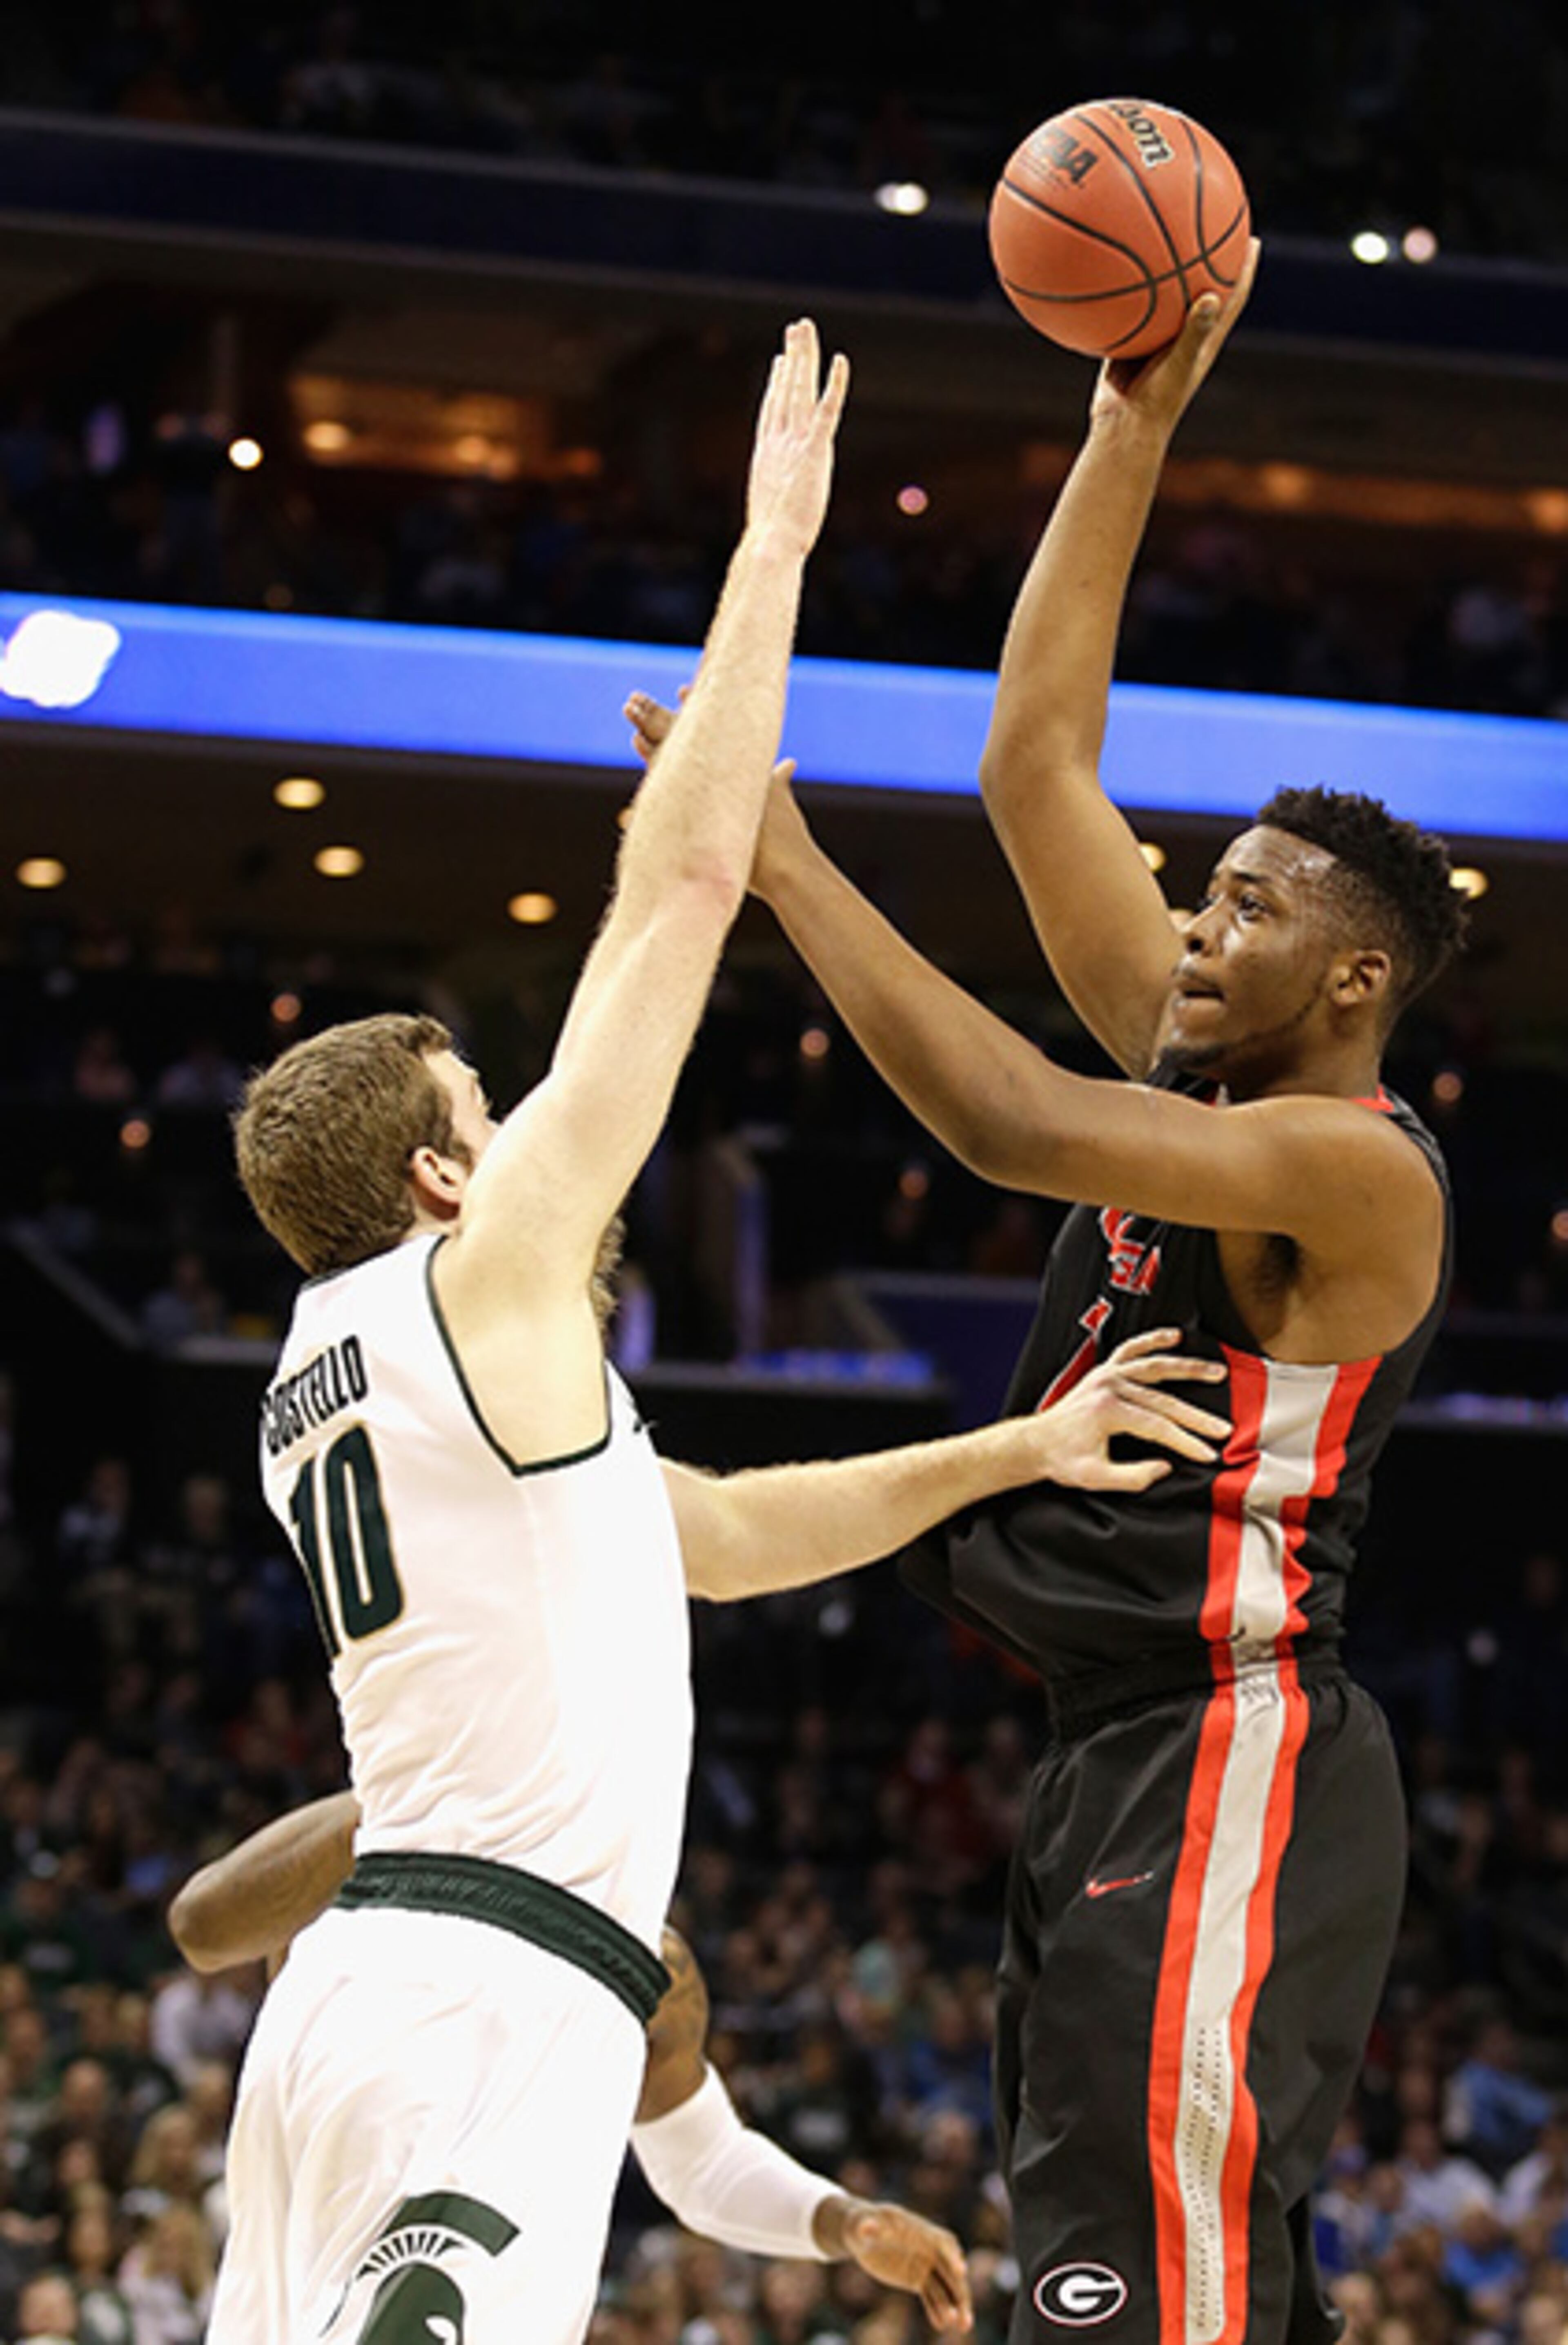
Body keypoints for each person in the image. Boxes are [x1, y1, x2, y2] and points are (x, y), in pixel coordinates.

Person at [215, 319, 1226, 2345]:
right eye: (486, 1125)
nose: (520, 1149)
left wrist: (1015, 1451)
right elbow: (675, 891)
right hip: (486, 1998)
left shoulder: (344, 1384)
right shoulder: (474, 1282)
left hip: (361, 2012)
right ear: (438, 1183)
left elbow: (728, 1532)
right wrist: (775, 544)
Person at [638, 248, 1470, 2345]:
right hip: (1115, 1745)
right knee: (1117, 2277)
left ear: (1352, 976)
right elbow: (1032, 763)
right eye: (1201, 889)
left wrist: (785, 864)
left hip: (1234, 1735)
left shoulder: (1345, 1171)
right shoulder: (1203, 1058)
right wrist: (1129, 424)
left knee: (1138, 2289)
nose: (1197, 923)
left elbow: (1011, 1122)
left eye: (1249, 907)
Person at [167, 1793, 974, 2329]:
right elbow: (205, 1924)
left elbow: (702, 2163)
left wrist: (843, 2223)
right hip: (296, 2289)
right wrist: (408, 1789)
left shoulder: (649, 1965)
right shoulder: (380, 1859)